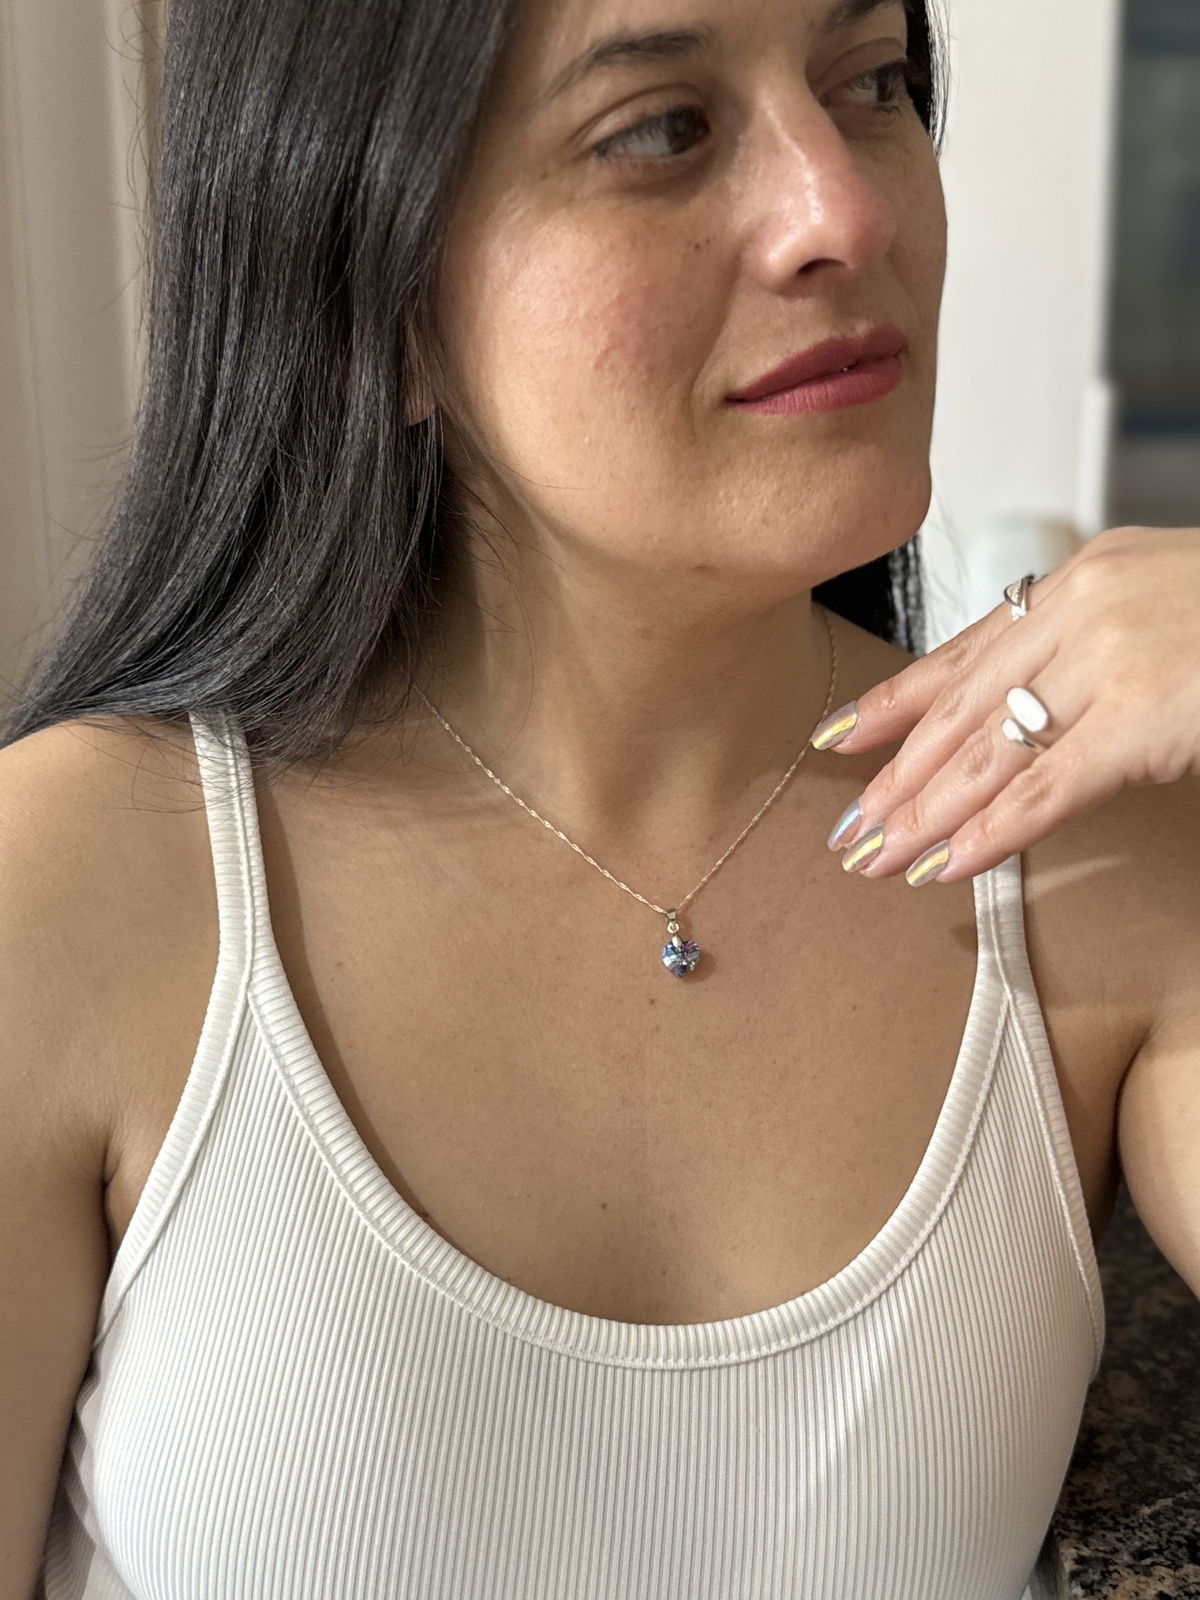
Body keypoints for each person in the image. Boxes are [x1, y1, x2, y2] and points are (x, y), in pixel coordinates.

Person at [2, 0, 1197, 1596]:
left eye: (873, 83)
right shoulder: (71, 887)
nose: (845, 210)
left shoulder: (1085, 858)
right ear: (381, 294)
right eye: (659, 131)